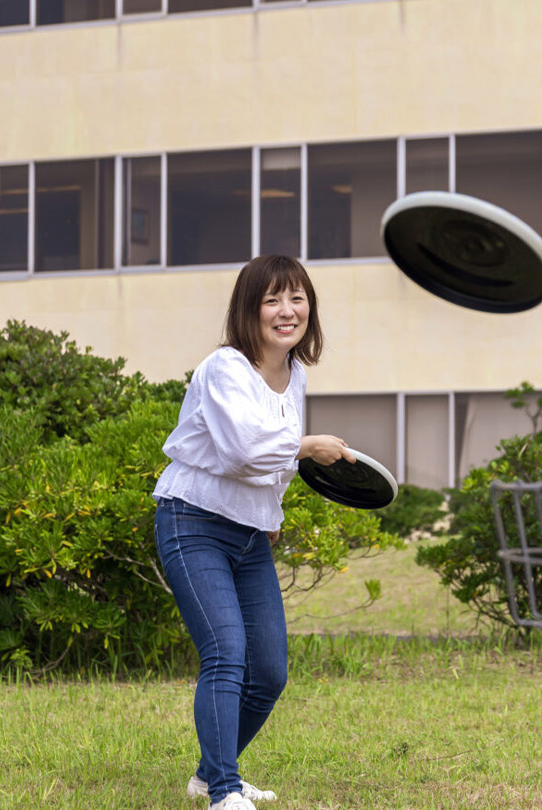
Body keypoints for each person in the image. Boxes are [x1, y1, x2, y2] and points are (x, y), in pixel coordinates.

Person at [152, 255, 354, 810]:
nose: (287, 311)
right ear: (249, 310)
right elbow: (243, 450)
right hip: (191, 522)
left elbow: (273, 468)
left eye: (297, 298)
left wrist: (272, 517)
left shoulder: (297, 375)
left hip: (249, 533)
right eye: (272, 299)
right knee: (226, 651)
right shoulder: (225, 369)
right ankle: (223, 792)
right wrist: (309, 445)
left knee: (268, 671)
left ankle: (205, 774)